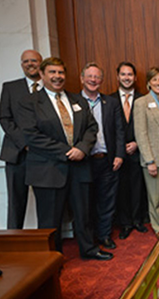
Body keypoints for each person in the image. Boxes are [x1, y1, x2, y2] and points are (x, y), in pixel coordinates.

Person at [17, 57, 112, 260]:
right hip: (48, 170)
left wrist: (82, 149)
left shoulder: (77, 100)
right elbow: (31, 136)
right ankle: (51, 259)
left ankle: (88, 249)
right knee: (50, 220)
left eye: (60, 73)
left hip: (80, 167)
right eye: (52, 72)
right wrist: (66, 151)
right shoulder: (29, 102)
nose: (57, 77)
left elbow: (91, 127)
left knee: (84, 214)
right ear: (42, 75)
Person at [80, 62, 125, 250]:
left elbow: (119, 130)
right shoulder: (74, 102)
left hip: (107, 159)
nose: (93, 80)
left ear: (102, 80)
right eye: (90, 76)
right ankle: (88, 239)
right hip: (83, 162)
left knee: (107, 200)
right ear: (82, 79)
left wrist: (119, 155)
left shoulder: (111, 103)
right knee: (85, 203)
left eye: (97, 77)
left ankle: (104, 235)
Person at [0, 50, 43, 229]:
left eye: (34, 60)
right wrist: (25, 143)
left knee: (46, 203)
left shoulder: (50, 88)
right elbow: (5, 119)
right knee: (16, 202)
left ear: (41, 63)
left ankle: (47, 243)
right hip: (17, 154)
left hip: (44, 156)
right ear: (21, 64)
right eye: (25, 61)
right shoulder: (10, 87)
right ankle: (12, 243)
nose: (30, 64)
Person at [134, 67, 159, 238]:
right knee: (155, 197)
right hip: (153, 158)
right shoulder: (141, 103)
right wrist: (149, 160)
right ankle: (158, 226)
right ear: (149, 83)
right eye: (155, 80)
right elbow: (141, 134)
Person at [112, 61, 148, 239]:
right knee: (121, 188)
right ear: (118, 76)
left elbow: (148, 128)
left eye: (130, 75)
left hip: (138, 150)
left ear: (135, 77)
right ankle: (124, 223)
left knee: (137, 187)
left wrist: (137, 143)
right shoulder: (109, 100)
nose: (127, 78)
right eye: (123, 74)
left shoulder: (144, 99)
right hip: (117, 153)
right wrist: (120, 148)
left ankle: (137, 220)